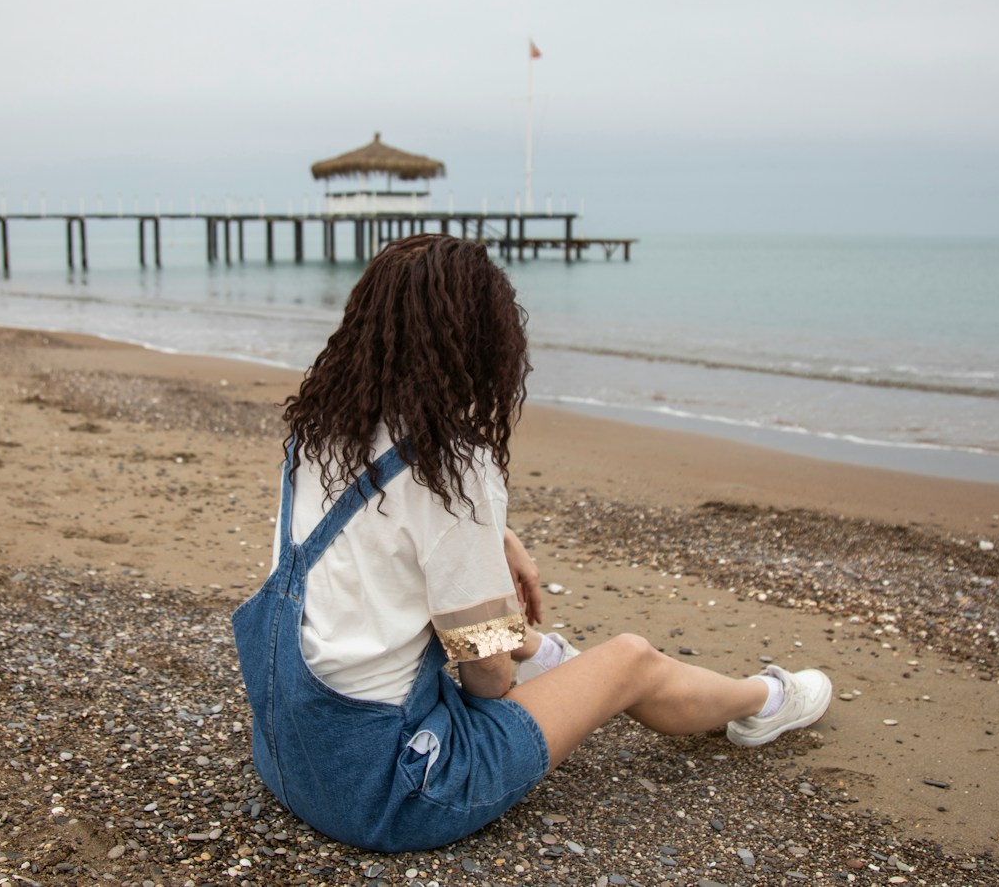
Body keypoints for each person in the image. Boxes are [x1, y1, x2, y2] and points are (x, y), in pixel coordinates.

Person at [231, 234, 831, 853]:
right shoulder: (450, 470)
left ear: (365, 321)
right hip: (390, 792)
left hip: (290, 759)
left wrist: (497, 541)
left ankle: (548, 654)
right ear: (479, 340)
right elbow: (487, 677)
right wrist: (503, 664)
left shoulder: (317, 432)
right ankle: (766, 702)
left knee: (475, 622)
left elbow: (384, 533)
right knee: (630, 659)